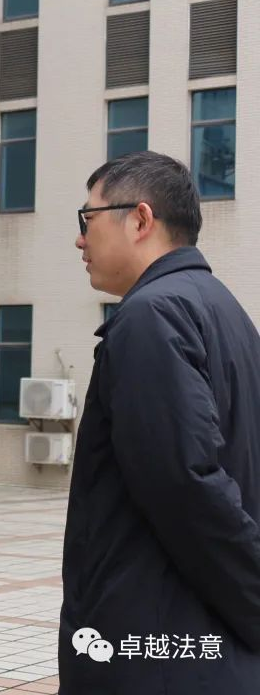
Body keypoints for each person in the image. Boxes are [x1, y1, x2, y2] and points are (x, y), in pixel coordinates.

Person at [60, 151, 260, 693]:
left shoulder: (152, 315)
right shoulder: (223, 309)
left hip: (156, 649)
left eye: (88, 219)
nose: (80, 239)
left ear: (141, 219)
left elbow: (186, 485)